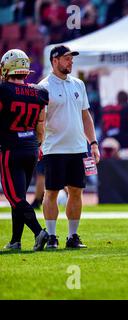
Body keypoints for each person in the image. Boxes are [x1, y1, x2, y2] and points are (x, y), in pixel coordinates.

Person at [38, 45, 100, 249]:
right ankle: (52, 236)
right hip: (54, 148)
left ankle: (72, 236)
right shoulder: (43, 86)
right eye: (66, 58)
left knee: (76, 191)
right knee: (52, 192)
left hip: (78, 147)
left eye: (71, 58)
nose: (71, 62)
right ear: (54, 61)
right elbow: (40, 120)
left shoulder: (78, 84)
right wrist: (39, 143)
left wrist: (93, 143)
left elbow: (85, 116)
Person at [0, 49, 49, 251]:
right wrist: (38, 145)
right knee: (18, 196)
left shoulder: (3, 90)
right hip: (31, 148)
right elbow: (41, 125)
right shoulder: (39, 92)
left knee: (14, 197)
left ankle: (39, 232)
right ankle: (15, 241)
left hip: (11, 148)